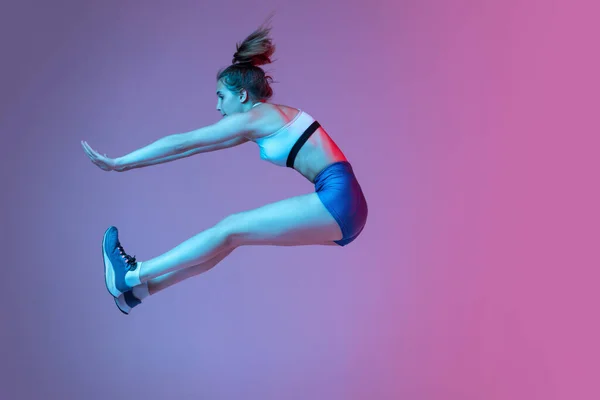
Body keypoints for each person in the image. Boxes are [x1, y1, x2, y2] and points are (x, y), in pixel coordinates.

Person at [81, 21, 368, 315]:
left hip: (339, 200)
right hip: (348, 213)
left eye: (221, 97)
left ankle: (131, 275)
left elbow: (183, 140)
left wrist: (119, 162)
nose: (218, 107)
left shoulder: (259, 117)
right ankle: (138, 292)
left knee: (230, 228)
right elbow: (192, 148)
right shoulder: (259, 123)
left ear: (242, 96)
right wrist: (126, 167)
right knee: (231, 239)